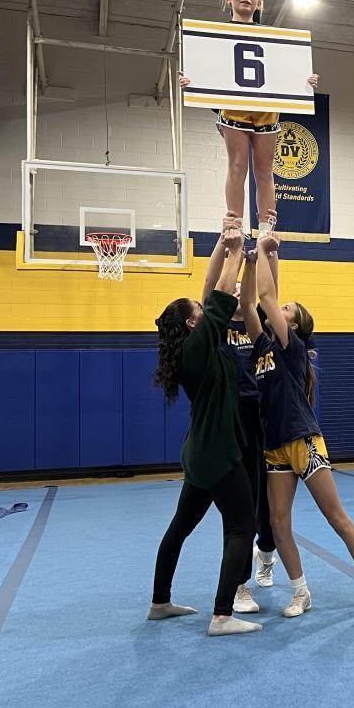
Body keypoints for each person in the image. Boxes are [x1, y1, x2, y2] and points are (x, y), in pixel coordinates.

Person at [242, 231, 354, 615]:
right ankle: (301, 592)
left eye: (288, 308)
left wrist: (265, 246)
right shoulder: (263, 346)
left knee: (335, 516)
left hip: (303, 440)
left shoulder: (292, 348)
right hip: (274, 445)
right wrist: (254, 260)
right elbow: (249, 303)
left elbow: (267, 296)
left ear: (294, 324)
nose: (281, 307)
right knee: (277, 523)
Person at [148, 223, 261, 636]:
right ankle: (222, 614)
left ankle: (160, 602)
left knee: (180, 526)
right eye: (201, 309)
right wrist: (237, 251)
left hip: (198, 453)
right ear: (195, 323)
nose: (206, 306)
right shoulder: (200, 344)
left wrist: (221, 244)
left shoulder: (198, 346)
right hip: (216, 452)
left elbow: (212, 287)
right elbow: (221, 291)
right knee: (241, 526)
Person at [177, 0, 319, 236]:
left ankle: (266, 229)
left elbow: (286, 70)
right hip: (235, 108)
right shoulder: (216, 37)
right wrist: (193, 83)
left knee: (265, 170)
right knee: (238, 164)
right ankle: (234, 226)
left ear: (259, 2)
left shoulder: (273, 37)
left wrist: (305, 81)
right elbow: (209, 72)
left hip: (266, 110)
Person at [198, 237, 278, 613]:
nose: (232, 289)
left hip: (262, 415)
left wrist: (266, 253)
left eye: (237, 287)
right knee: (240, 507)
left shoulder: (256, 322)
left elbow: (270, 290)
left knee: (268, 501)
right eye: (228, 288)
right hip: (232, 419)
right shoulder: (215, 327)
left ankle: (267, 552)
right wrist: (224, 243)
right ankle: (240, 584)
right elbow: (209, 285)